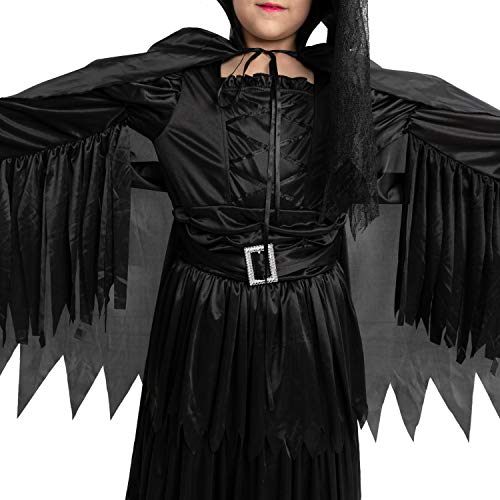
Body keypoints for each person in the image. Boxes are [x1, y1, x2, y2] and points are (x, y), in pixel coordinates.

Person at [0, 0, 499, 498]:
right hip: (200, 321)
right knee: (192, 465)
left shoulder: (362, 99)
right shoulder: (173, 87)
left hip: (310, 326)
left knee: (302, 470)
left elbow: (480, 145)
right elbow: (33, 125)